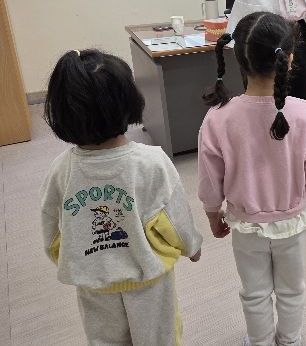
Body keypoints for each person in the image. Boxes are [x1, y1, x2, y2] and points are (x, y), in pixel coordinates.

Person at [40, 49, 202, 345]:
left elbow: (52, 230)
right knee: (159, 339)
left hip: (93, 282)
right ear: (129, 101)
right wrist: (192, 246)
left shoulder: (60, 170)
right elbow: (174, 219)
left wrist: (75, 259)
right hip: (148, 280)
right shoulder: (152, 162)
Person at [198, 11, 306, 346]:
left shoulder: (218, 118)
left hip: (246, 225)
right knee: (292, 289)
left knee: (254, 292)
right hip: (291, 221)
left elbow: (210, 179)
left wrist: (213, 215)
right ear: (290, 59)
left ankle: (259, 341)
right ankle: (290, 339)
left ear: (239, 58)